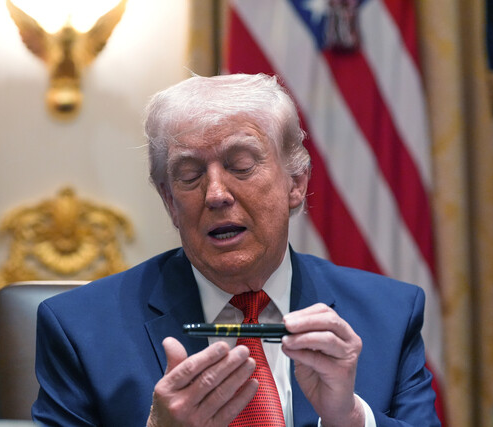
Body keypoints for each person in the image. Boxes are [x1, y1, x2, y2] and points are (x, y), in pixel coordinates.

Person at [31, 73, 440, 426]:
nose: (216, 194)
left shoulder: (389, 315)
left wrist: (348, 419)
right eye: (189, 175)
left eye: (241, 166)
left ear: (296, 183)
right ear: (170, 201)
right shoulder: (79, 329)